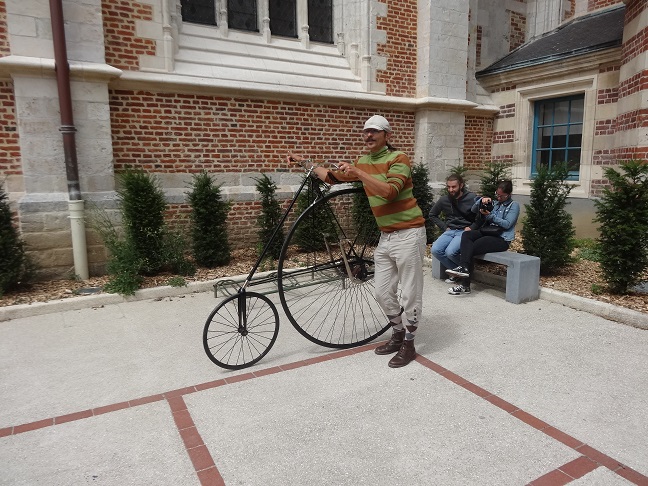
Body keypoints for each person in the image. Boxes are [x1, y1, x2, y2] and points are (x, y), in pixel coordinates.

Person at [287, 115, 427, 368]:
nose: (368, 136)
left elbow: (389, 192)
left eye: (374, 132)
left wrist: (358, 172)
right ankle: (396, 334)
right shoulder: (363, 161)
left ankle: (409, 343)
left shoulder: (398, 158)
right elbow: (330, 177)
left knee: (410, 293)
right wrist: (304, 161)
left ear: (387, 135)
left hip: (409, 233)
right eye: (365, 132)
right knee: (382, 292)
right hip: (387, 235)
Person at [445, 180, 520, 295]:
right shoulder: (494, 203)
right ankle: (464, 267)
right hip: (487, 232)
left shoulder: (514, 205)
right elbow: (473, 210)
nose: (498, 198)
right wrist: (481, 200)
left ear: (508, 195)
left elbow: (507, 224)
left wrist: (490, 216)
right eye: (497, 194)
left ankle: (465, 285)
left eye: (501, 196)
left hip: (501, 239)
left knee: (472, 248)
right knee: (467, 234)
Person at [429, 174, 477, 284]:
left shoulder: (471, 198)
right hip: (450, 231)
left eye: (454, 187)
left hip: (463, 232)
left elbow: (481, 216)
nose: (451, 190)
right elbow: (432, 214)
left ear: (461, 185)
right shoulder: (444, 200)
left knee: (450, 252)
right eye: (448, 187)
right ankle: (459, 272)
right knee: (435, 250)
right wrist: (444, 227)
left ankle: (462, 272)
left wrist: (471, 227)